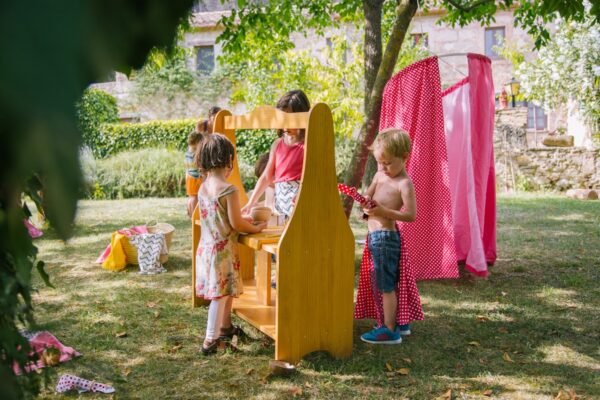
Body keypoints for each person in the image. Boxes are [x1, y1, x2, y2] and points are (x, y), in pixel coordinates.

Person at [194, 133, 267, 355]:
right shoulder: (229, 190)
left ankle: (225, 329)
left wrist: (240, 219)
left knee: (223, 292)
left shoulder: (203, 187)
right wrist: (256, 227)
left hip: (207, 248)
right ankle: (210, 341)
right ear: (228, 160)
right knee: (220, 296)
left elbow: (220, 216)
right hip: (222, 251)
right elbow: (236, 223)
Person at [359, 127, 417, 344]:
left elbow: (410, 215)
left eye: (387, 163)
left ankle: (389, 329)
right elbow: (369, 193)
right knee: (383, 280)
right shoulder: (379, 174)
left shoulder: (404, 183)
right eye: (379, 162)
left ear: (404, 157)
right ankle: (399, 322)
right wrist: (365, 202)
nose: (382, 167)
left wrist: (383, 212)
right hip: (374, 237)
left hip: (386, 238)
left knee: (386, 284)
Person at [241, 90, 310, 220]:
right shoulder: (277, 144)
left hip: (300, 204)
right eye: (282, 120)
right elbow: (266, 176)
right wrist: (251, 202)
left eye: (291, 120)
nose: (285, 126)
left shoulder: (308, 144)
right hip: (281, 204)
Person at [185, 106, 222, 217]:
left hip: (202, 160)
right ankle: (193, 215)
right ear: (209, 117)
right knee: (194, 194)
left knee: (203, 190)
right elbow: (195, 142)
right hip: (195, 162)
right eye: (214, 118)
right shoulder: (202, 125)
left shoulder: (219, 126)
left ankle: (202, 214)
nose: (216, 120)